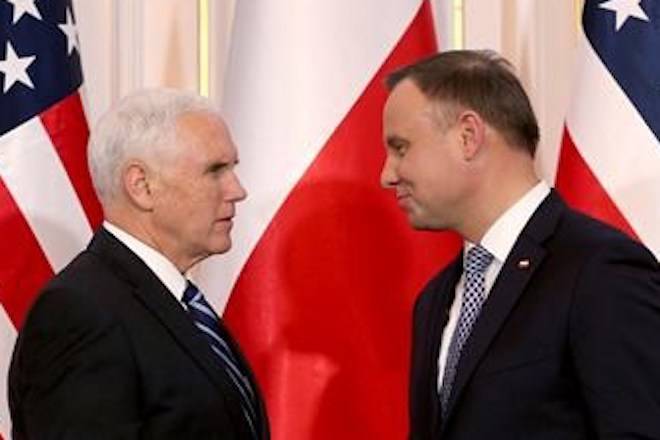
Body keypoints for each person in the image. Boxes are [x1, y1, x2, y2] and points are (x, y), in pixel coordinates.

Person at [380, 50, 660, 439]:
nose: (387, 175)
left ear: (468, 136)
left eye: (401, 148)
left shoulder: (599, 271)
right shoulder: (435, 300)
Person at [9, 89, 269, 439]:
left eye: (232, 169)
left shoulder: (176, 302)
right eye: (215, 171)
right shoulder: (80, 313)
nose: (237, 190)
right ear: (142, 186)